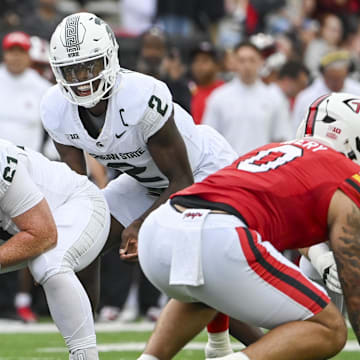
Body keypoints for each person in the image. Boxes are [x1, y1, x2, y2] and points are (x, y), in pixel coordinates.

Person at [41, 12, 241, 357]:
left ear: (110, 58)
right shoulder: (55, 107)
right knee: (80, 243)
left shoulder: (141, 95)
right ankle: (84, 350)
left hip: (205, 171)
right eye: (71, 71)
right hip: (145, 180)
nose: (82, 80)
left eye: (89, 66)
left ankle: (239, 346)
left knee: (201, 272)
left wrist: (140, 224)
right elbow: (77, 187)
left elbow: (182, 180)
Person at [136, 92, 360, 360]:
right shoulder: (343, 175)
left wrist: (218, 341)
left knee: (204, 290)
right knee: (330, 328)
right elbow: (354, 280)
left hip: (161, 230)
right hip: (216, 236)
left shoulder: (270, 151)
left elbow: (209, 267)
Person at [0, 138, 110, 360]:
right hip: (29, 228)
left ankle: (85, 357)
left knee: (50, 262)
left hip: (76, 205)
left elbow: (43, 235)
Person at [202, 41, 291, 156]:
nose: (247, 66)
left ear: (261, 62)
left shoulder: (274, 97)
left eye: (252, 60)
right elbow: (209, 139)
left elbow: (282, 138)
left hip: (263, 167)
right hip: (229, 168)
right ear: (234, 63)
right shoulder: (218, 97)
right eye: (242, 60)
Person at [292, 49, 360, 130]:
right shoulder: (306, 97)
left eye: (340, 78)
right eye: (333, 78)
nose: (336, 82)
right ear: (324, 74)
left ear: (346, 73)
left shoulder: (357, 91)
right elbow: (296, 128)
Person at [190, 41, 224, 125]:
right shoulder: (189, 90)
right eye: (196, 61)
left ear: (217, 65)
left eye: (205, 61)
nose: (199, 65)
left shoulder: (224, 91)